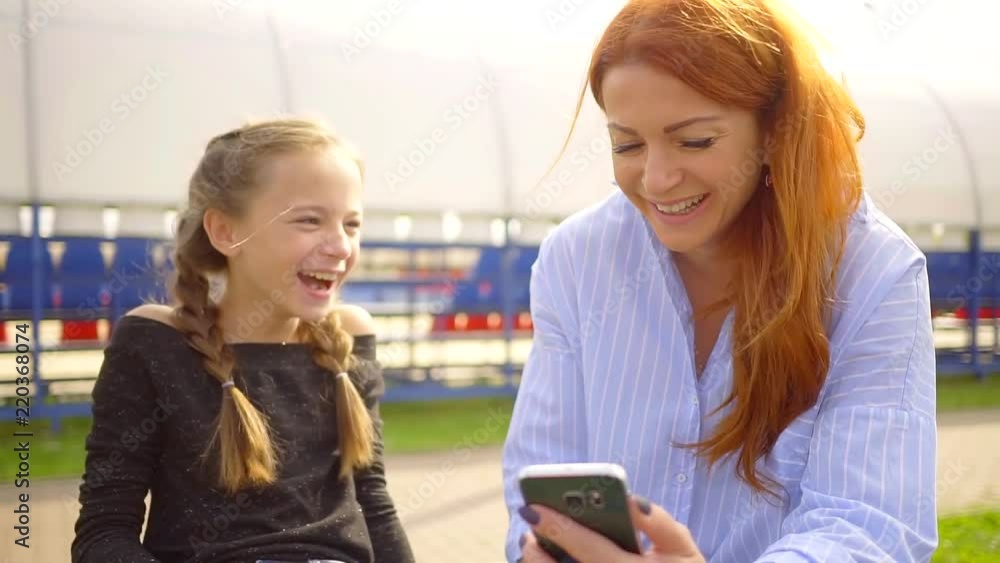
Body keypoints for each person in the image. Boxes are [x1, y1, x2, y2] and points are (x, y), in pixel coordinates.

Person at [502, 0, 937, 561]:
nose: (656, 179)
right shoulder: (577, 259)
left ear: (775, 132)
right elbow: (538, 487)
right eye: (626, 144)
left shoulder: (875, 273)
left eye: (695, 141)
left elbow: (869, 526)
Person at [71, 118, 415, 563]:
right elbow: (104, 534)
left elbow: (375, 507)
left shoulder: (350, 334)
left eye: (352, 225)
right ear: (226, 232)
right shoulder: (155, 342)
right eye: (310, 221)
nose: (340, 246)